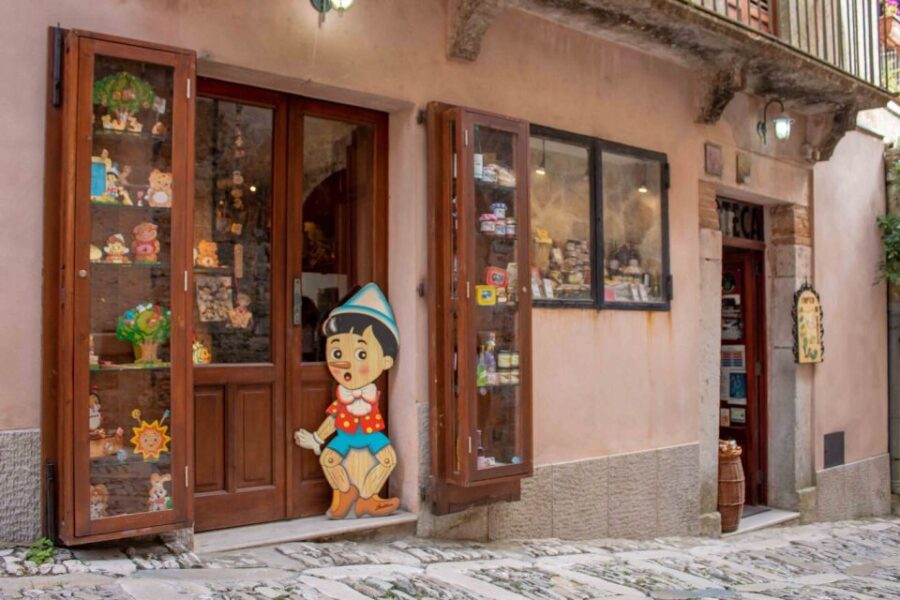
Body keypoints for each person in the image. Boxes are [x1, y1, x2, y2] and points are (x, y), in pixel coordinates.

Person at [294, 283, 401, 518]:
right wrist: (317, 438)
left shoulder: (370, 392)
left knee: (388, 459)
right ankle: (344, 493)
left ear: (385, 361)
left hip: (371, 436)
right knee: (328, 459)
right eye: (337, 352)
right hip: (345, 437)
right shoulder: (345, 396)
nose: (345, 362)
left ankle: (368, 498)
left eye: (361, 354)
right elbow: (334, 418)